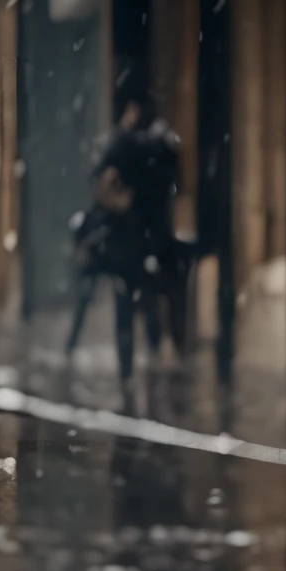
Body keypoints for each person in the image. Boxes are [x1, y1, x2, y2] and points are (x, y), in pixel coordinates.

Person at [67, 86, 183, 378]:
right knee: (149, 301)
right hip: (152, 241)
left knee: (125, 309)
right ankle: (155, 358)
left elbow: (103, 182)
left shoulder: (124, 145)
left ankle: (126, 374)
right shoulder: (160, 148)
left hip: (126, 240)